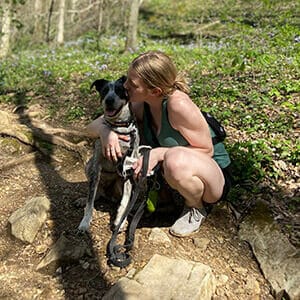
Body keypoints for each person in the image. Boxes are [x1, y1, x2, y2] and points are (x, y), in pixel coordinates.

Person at [87, 50, 232, 237]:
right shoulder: (142, 104)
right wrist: (104, 131)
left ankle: (196, 208)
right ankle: (167, 198)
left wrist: (159, 153)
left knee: (174, 159)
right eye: (127, 79)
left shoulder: (177, 105)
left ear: (155, 91)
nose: (125, 86)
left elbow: (206, 149)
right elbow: (89, 127)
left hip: (213, 175)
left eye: (132, 83)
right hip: (176, 171)